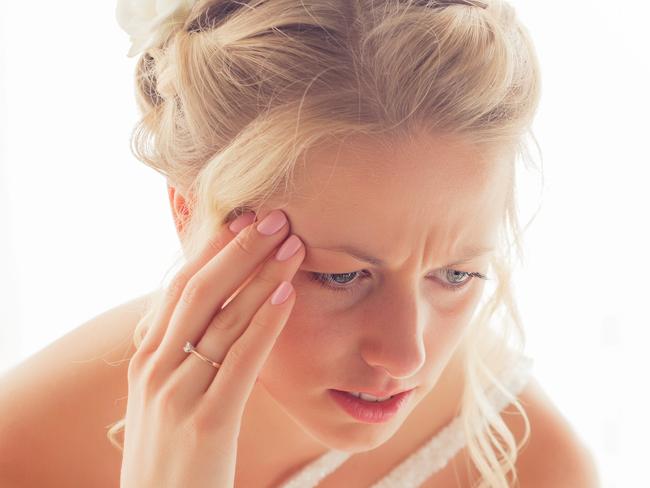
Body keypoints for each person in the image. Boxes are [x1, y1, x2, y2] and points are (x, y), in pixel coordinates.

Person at [0, 0, 600, 486]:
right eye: (340, 276)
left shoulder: (536, 465)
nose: (406, 356)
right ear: (187, 213)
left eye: (457, 275)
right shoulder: (24, 449)